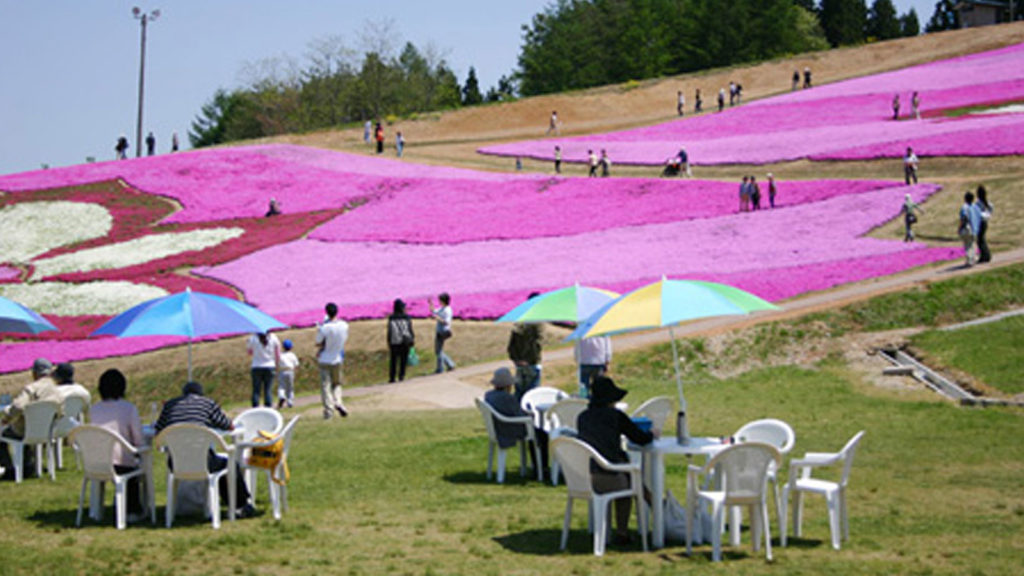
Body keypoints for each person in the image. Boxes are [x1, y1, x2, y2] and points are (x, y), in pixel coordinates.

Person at [154, 381, 252, 517]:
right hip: (204, 462)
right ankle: (240, 505)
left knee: (222, 463)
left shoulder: (169, 405)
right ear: (201, 394)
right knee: (229, 464)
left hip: (175, 463)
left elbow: (158, 429)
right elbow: (227, 425)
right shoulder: (207, 404)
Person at [578, 376, 654, 546]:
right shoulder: (616, 416)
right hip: (609, 475)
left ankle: (654, 508)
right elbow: (640, 438)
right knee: (631, 483)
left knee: (629, 475)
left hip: (585, 476)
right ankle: (624, 531)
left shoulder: (582, 417)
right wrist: (653, 433)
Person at [90, 368, 145, 520]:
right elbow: (138, 440)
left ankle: (96, 510)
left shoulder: (94, 409)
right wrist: (140, 451)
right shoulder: (128, 408)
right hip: (121, 463)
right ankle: (133, 511)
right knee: (135, 464)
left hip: (96, 462)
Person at [0, 358, 62, 479]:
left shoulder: (31, 389)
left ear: (34, 373)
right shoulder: (56, 391)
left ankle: (9, 468)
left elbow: (18, 406)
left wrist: (7, 418)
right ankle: (29, 465)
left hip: (24, 431)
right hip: (47, 431)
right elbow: (61, 412)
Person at [483, 367, 546, 476]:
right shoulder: (507, 398)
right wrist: (530, 415)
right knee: (541, 433)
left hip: (498, 427)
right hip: (509, 428)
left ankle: (537, 467)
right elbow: (519, 415)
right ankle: (540, 468)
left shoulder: (489, 395)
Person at [316, 302, 350, 419]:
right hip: (337, 357)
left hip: (325, 359)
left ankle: (329, 410)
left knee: (326, 386)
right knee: (337, 384)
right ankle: (339, 402)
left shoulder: (324, 328)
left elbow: (318, 342)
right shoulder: (344, 325)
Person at [507, 293, 543, 400]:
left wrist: (516, 359)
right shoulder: (535, 322)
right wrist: (528, 359)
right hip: (530, 364)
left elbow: (512, 344)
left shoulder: (520, 321)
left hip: (520, 363)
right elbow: (534, 345)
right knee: (531, 396)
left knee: (519, 393)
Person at [247, 331, 280, 408]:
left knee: (256, 389)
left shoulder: (252, 338)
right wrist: (277, 365)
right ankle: (268, 406)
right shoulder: (273, 338)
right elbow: (277, 354)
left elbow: (249, 352)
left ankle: (255, 406)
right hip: (270, 365)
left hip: (256, 365)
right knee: (268, 389)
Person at [387, 299, 415, 383]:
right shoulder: (407, 317)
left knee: (393, 360)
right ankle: (401, 375)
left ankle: (392, 377)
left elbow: (390, 330)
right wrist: (412, 338)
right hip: (404, 340)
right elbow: (410, 329)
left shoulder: (391, 318)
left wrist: (389, 341)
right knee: (403, 359)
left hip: (394, 341)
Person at [428, 293, 456, 373]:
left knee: (438, 350)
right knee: (438, 350)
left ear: (444, 301)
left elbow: (446, 322)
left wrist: (437, 318)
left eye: (440, 300)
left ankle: (441, 368)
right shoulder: (442, 308)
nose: (439, 302)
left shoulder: (447, 310)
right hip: (440, 331)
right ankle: (449, 365)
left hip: (443, 331)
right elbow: (433, 311)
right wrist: (430, 304)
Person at [958, 191, 979, 267]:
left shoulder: (964, 207)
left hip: (967, 228)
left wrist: (959, 228)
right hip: (974, 228)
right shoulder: (975, 207)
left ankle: (970, 261)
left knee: (967, 245)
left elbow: (963, 218)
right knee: (973, 243)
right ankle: (974, 258)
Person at [276, 339, 299, 409]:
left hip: (282, 371)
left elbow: (277, 363)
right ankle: (290, 401)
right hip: (290, 371)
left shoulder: (281, 355)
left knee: (282, 386)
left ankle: (281, 396)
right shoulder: (292, 355)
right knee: (290, 388)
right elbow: (296, 364)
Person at [975, 186, 993, 263]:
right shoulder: (988, 202)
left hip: (980, 222)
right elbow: (991, 210)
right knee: (982, 239)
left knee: (980, 240)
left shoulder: (978, 203)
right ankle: (986, 255)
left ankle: (984, 256)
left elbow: (976, 212)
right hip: (985, 222)